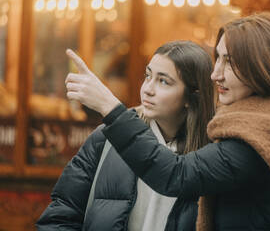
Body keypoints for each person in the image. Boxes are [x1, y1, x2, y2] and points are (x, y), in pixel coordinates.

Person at [64, 12, 270, 231]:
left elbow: (176, 175)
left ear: (263, 67)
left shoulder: (263, 131)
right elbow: (63, 211)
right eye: (217, 58)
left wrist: (110, 107)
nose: (215, 74)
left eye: (229, 62)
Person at [36, 40, 215, 231]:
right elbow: (60, 215)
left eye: (163, 81)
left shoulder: (213, 155)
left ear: (191, 96)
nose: (148, 89)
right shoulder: (106, 138)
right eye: (147, 76)